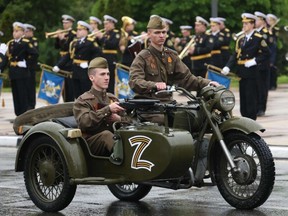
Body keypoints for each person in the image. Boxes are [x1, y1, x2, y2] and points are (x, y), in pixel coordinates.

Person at [129, 15, 218, 124]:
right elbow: (134, 81)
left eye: (163, 32)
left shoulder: (171, 55)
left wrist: (208, 83)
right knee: (166, 123)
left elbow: (187, 78)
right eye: (157, 32)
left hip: (168, 104)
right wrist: (154, 85)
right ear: (149, 34)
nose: (161, 35)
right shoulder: (142, 57)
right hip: (149, 107)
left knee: (194, 119)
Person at [73, 57, 130, 157]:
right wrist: (108, 110)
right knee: (106, 135)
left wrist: (119, 119)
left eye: (108, 74)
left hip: (113, 141)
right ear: (92, 78)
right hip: (89, 145)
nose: (107, 77)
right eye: (102, 74)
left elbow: (130, 121)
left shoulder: (112, 98)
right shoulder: (82, 100)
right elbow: (84, 123)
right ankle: (129, 161)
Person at [221, 13, 270, 120]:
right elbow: (235, 54)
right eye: (243, 23)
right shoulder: (241, 38)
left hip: (252, 72)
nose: (244, 25)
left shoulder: (258, 38)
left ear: (252, 24)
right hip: (242, 72)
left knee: (251, 98)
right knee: (243, 99)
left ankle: (251, 121)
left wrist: (255, 61)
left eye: (246, 23)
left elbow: (267, 53)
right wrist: (228, 66)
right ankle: (245, 119)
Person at [53, 21, 102, 99]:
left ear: (86, 31)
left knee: (85, 92)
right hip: (75, 70)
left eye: (80, 30)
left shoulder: (91, 42)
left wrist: (89, 64)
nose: (77, 32)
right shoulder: (74, 43)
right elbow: (69, 55)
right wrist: (58, 65)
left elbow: (98, 55)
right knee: (77, 93)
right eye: (77, 30)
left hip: (85, 71)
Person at [0, 22, 38, 116]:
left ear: (22, 32)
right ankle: (18, 115)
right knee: (16, 96)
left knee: (22, 95)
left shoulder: (25, 43)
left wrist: (26, 63)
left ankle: (23, 115)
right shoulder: (11, 43)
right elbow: (7, 58)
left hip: (22, 73)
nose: (14, 33)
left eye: (17, 31)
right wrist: (1, 68)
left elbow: (35, 54)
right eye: (14, 31)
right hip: (13, 73)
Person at [95, 15, 120, 94]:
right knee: (102, 79)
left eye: (107, 24)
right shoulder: (105, 33)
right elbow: (100, 45)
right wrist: (97, 37)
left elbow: (112, 45)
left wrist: (101, 37)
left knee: (110, 80)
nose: (105, 26)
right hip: (103, 58)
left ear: (112, 24)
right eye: (105, 24)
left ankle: (111, 97)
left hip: (111, 58)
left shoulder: (116, 33)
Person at [54, 14, 76, 102]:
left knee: (69, 86)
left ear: (71, 23)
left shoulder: (73, 34)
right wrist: (57, 38)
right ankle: (64, 101)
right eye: (63, 23)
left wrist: (62, 39)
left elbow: (68, 48)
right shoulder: (64, 33)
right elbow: (56, 47)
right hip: (61, 61)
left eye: (66, 23)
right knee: (62, 86)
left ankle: (69, 103)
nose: (64, 25)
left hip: (68, 62)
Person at [254, 11, 273, 117]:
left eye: (257, 20)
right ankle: (256, 107)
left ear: (262, 21)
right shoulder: (254, 33)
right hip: (254, 64)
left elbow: (268, 51)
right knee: (255, 87)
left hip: (263, 64)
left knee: (262, 87)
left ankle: (262, 108)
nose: (255, 22)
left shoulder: (266, 33)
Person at [24, 23, 39, 110]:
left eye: (27, 31)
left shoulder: (34, 41)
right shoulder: (23, 40)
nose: (25, 33)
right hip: (23, 68)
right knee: (24, 87)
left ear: (31, 32)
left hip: (30, 67)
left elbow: (35, 53)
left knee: (30, 87)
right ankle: (25, 106)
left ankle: (31, 106)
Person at [266, 13, 280, 90]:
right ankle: (268, 85)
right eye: (268, 20)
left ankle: (273, 85)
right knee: (267, 69)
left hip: (273, 49)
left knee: (273, 68)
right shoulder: (266, 28)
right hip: (267, 49)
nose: (268, 21)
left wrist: (271, 32)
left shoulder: (276, 29)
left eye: (270, 20)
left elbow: (274, 40)